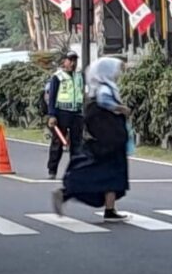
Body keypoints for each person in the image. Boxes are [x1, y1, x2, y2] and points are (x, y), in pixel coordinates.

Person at [53, 57, 131, 221]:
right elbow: (105, 102)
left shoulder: (98, 88)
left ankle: (110, 209)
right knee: (110, 172)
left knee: (111, 173)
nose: (117, 74)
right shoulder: (104, 89)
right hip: (110, 141)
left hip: (109, 141)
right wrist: (120, 108)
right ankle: (68, 194)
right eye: (115, 70)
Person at [45, 51, 84, 179]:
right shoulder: (58, 77)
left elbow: (84, 94)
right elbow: (52, 97)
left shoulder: (79, 76)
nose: (73, 63)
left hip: (76, 113)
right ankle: (52, 170)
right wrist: (52, 115)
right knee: (57, 144)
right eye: (70, 60)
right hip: (61, 113)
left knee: (77, 144)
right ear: (65, 62)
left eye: (75, 61)